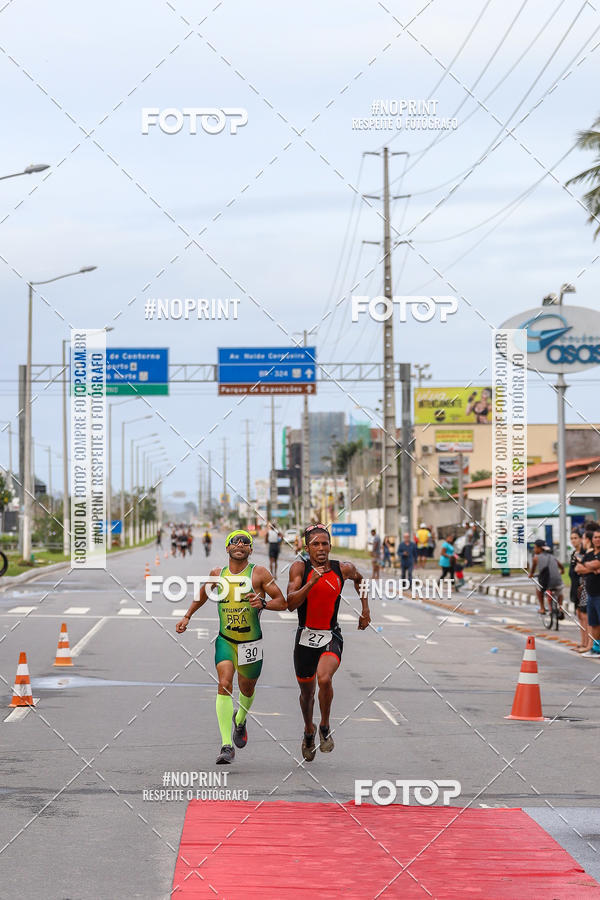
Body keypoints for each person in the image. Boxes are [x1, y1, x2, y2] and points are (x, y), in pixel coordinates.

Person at [175, 529, 286, 764]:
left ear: (250, 549)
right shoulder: (218, 574)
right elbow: (203, 595)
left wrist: (263, 602)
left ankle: (241, 719)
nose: (239, 544)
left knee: (246, 689)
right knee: (224, 683)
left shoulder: (259, 574)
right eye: (234, 542)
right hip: (226, 639)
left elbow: (282, 602)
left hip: (250, 643)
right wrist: (187, 616)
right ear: (227, 548)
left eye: (245, 542)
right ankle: (226, 745)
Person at [287, 524, 371, 761]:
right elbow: (291, 602)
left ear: (330, 546)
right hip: (305, 637)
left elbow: (361, 579)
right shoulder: (299, 569)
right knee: (307, 693)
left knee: (324, 678)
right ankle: (308, 730)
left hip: (330, 635)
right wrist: (311, 582)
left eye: (325, 544)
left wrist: (365, 609)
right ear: (307, 548)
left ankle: (324, 725)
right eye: (316, 544)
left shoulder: (342, 568)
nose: (321, 548)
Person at [575, 529, 600, 657]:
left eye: (599, 537)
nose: (597, 539)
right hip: (591, 594)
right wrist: (592, 569)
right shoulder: (590, 554)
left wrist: (585, 564)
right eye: (595, 537)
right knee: (594, 623)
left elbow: (597, 564)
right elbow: (578, 569)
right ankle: (596, 648)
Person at [570, 529, 592, 653]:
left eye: (576, 538)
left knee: (585, 616)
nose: (574, 541)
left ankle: (588, 644)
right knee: (579, 615)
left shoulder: (584, 554)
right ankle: (583, 642)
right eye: (571, 538)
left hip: (583, 587)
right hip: (574, 587)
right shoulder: (574, 553)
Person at [529, 539, 565, 616]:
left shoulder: (536, 558)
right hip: (557, 581)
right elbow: (561, 566)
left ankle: (542, 608)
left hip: (546, 583)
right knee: (560, 592)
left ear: (539, 548)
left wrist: (531, 574)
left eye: (535, 547)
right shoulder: (552, 556)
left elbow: (532, 570)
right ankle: (560, 608)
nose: (534, 549)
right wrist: (562, 571)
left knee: (538, 588)